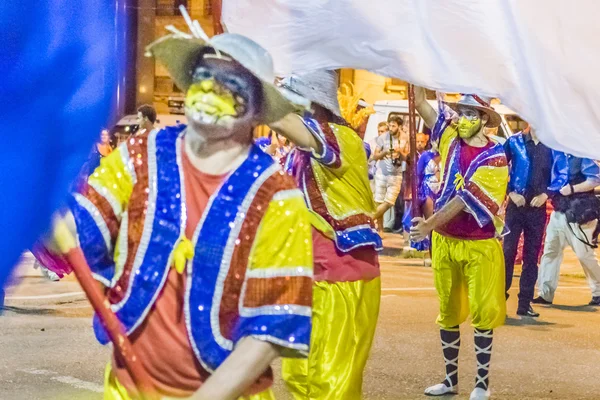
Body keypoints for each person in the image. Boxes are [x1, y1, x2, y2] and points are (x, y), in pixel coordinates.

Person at [41, 27, 314, 400]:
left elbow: (269, 327)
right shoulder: (141, 154)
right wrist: (29, 192)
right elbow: (77, 233)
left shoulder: (279, 198)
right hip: (126, 390)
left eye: (228, 84)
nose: (208, 91)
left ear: (256, 107)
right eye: (203, 77)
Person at [272, 70, 382, 400]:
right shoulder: (296, 153)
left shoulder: (341, 140)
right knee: (299, 376)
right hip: (308, 279)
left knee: (331, 385)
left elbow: (300, 133)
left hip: (343, 280)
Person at [411, 88, 508, 400]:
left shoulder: (495, 156)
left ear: (483, 119)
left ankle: (481, 384)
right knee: (448, 311)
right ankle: (450, 380)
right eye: (461, 112)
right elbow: (420, 104)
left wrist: (428, 224)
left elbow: (465, 199)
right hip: (446, 240)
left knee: (483, 313)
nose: (462, 119)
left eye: (470, 114)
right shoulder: (449, 137)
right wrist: (415, 73)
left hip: (479, 244)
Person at [533, 153, 600, 305]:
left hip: (579, 212)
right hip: (559, 210)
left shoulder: (581, 153)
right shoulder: (556, 153)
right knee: (551, 252)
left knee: (584, 255)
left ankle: (598, 291)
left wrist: (572, 188)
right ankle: (545, 293)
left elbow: (595, 179)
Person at [502, 125, 553, 317]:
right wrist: (511, 192)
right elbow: (496, 167)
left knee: (531, 257)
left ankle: (525, 303)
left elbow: (559, 175)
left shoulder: (552, 145)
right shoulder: (514, 142)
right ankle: (500, 298)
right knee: (508, 252)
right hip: (516, 206)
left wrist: (546, 194)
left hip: (536, 209)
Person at [373, 115, 407, 233]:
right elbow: (375, 156)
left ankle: (370, 219)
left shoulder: (405, 138)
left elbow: (407, 157)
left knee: (389, 202)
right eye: (390, 125)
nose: (391, 128)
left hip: (396, 174)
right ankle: (380, 230)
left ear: (399, 126)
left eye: (393, 126)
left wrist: (400, 151)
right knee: (379, 201)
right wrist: (385, 152)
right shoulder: (382, 138)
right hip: (381, 173)